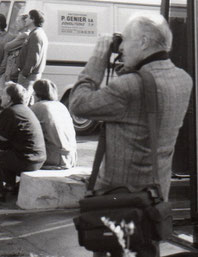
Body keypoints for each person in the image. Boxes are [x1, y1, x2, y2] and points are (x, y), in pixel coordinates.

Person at [69, 14, 193, 257]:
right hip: (156, 195)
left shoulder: (129, 87)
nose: (122, 47)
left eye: (125, 40)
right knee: (147, 249)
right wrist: (128, 66)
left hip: (119, 198)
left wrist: (97, 58)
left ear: (144, 42)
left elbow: (79, 104)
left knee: (111, 250)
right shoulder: (183, 79)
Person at [0, 82, 46, 202]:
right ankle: (10, 186)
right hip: (38, 159)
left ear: (9, 98)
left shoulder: (10, 112)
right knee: (8, 152)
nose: (1, 97)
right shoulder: (26, 110)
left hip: (26, 161)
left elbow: (0, 142)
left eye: (3, 95)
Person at [31, 79, 77, 169]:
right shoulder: (61, 106)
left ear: (37, 94)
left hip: (55, 159)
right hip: (71, 157)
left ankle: (9, 183)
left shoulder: (38, 107)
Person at [0, 14, 30, 109]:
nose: (16, 24)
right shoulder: (18, 36)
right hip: (9, 69)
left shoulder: (23, 36)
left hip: (12, 70)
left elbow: (7, 47)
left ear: (24, 23)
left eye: (18, 21)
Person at [16, 9, 48, 105]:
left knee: (21, 101)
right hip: (30, 74)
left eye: (28, 17)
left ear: (33, 19)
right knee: (28, 101)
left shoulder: (36, 35)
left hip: (29, 75)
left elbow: (33, 57)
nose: (26, 19)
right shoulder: (36, 33)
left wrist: (25, 73)